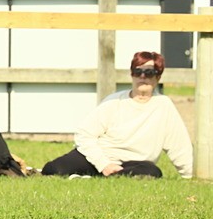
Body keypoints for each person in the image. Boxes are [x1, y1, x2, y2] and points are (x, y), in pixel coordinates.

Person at [42, 51, 192, 179]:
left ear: (158, 77)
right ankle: (99, 175)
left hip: (134, 163)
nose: (142, 77)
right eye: (137, 72)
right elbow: (84, 134)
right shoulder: (114, 101)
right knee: (53, 170)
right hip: (100, 157)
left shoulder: (164, 105)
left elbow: (179, 146)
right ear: (131, 74)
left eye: (149, 72)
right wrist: (104, 164)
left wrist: (190, 176)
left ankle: (95, 177)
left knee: (152, 173)